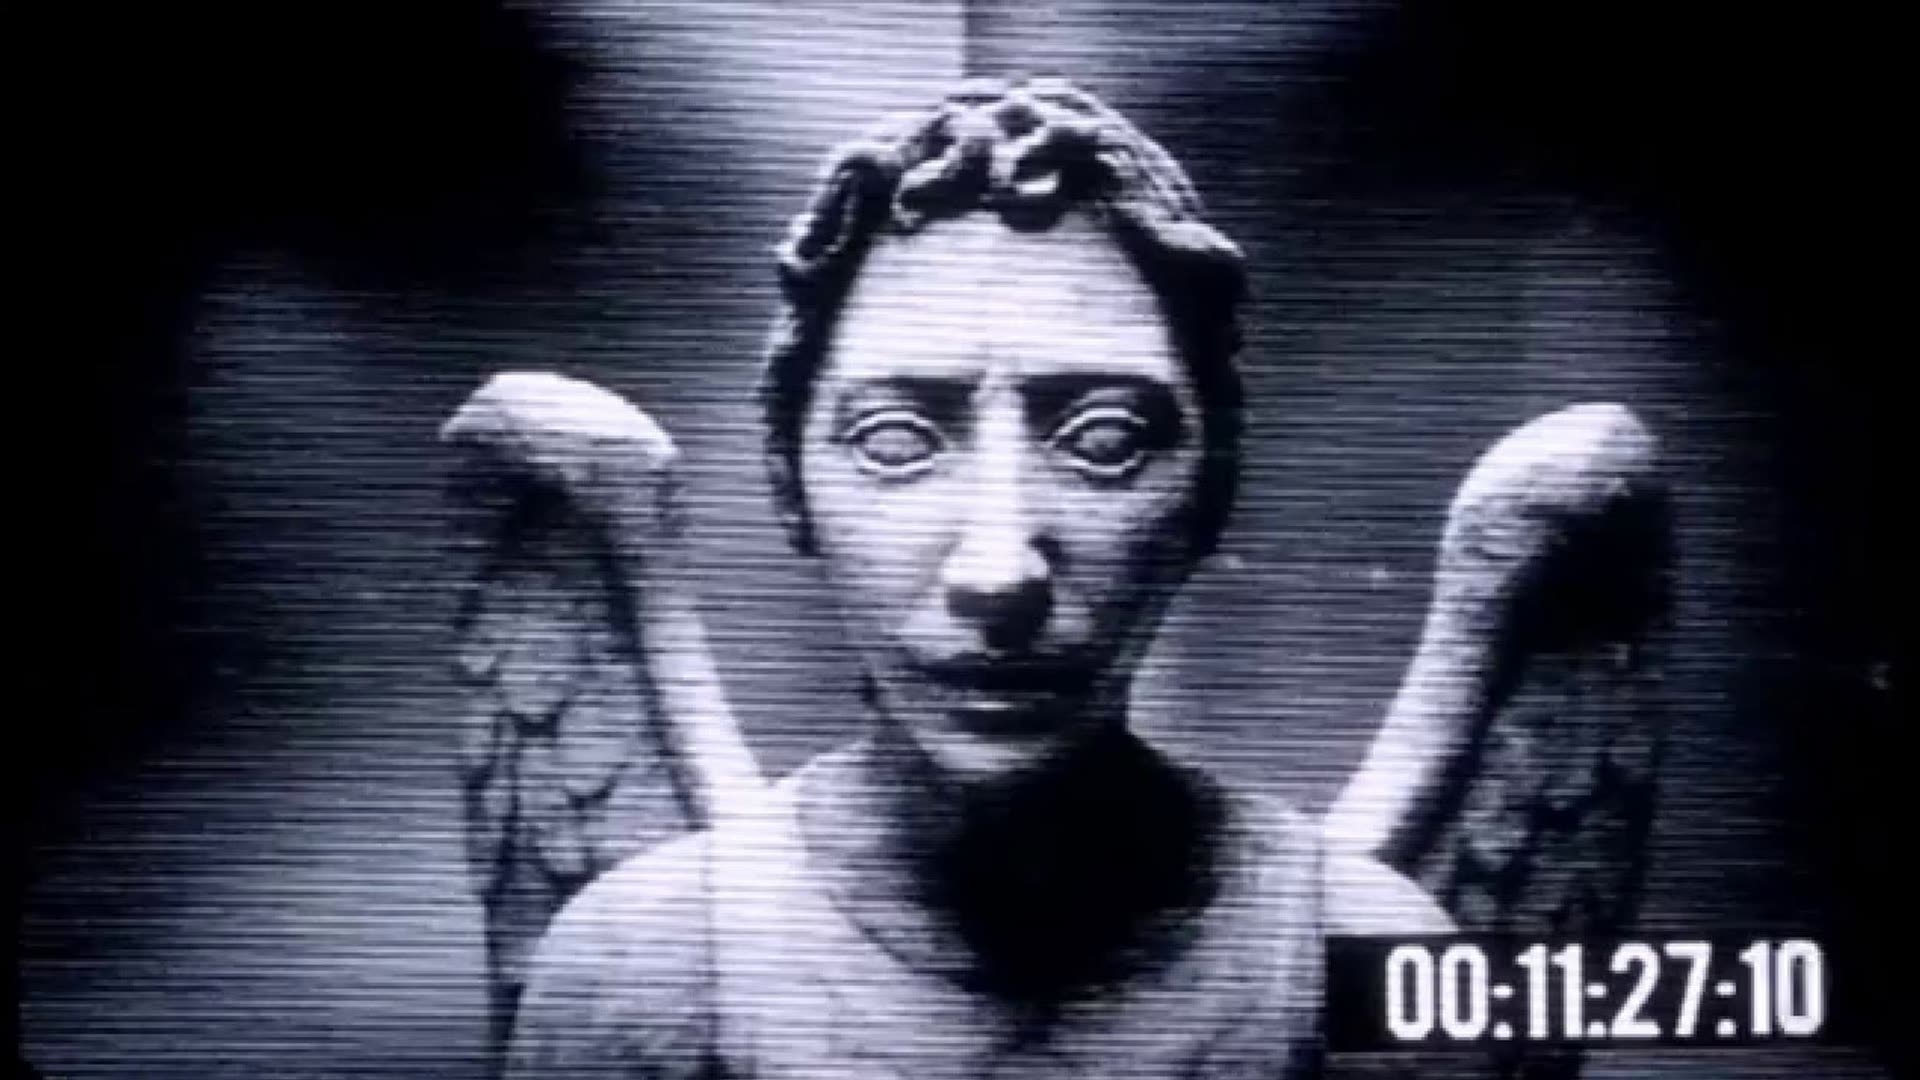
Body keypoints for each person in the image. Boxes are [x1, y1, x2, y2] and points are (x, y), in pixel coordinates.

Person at [504, 76, 1448, 1080]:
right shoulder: (637, 963)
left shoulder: (1377, 949)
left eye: (1105, 442)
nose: (999, 573)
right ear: (788, 480)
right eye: (896, 442)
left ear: (1213, 487)